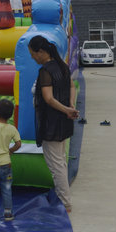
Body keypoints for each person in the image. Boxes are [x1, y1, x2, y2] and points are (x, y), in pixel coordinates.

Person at [29, 35, 79, 213]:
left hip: (52, 123)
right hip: (62, 121)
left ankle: (65, 203)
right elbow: (72, 86)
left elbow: (48, 99)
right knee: (60, 161)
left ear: (41, 52)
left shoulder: (46, 71)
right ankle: (63, 197)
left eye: (33, 54)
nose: (33, 58)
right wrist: (70, 105)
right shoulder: (62, 65)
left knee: (56, 164)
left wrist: (66, 109)